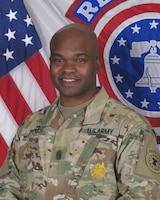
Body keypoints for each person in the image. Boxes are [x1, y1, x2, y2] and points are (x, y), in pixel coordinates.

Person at [0, 23, 160, 200]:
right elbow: (8, 187)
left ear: (97, 65)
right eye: (59, 60)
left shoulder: (129, 127)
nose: (68, 68)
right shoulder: (30, 126)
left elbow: (144, 195)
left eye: (80, 59)